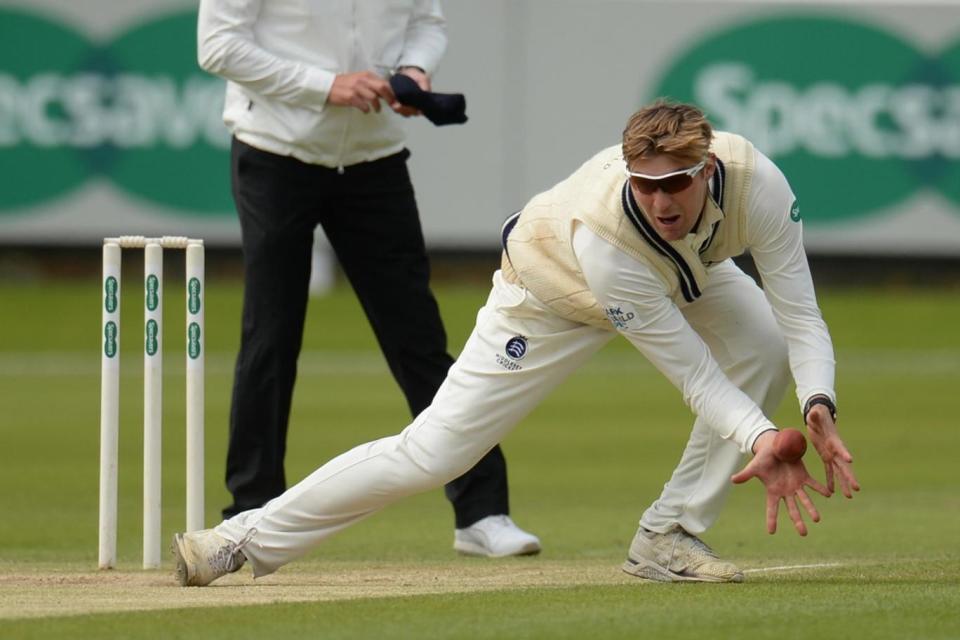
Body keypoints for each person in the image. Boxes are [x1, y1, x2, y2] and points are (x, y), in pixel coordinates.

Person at [173, 99, 861, 587]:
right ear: (631, 176)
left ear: (708, 169)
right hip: (550, 290)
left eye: (678, 182)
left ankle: (668, 535)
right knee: (435, 452)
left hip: (685, 271)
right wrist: (762, 438)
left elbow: (800, 311)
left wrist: (819, 402)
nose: (663, 201)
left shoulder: (758, 185)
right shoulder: (609, 240)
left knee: (767, 342)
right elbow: (697, 379)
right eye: (648, 186)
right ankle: (241, 538)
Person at [196, 0, 540, 558]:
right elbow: (217, 45)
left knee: (419, 339)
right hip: (275, 149)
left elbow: (426, 24)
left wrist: (414, 71)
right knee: (271, 337)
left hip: (373, 155)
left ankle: (481, 513)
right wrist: (324, 85)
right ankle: (249, 515)